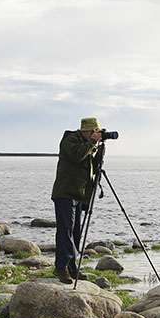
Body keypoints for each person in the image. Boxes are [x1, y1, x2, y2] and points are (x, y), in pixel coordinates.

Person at [51, 117, 103, 284]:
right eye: (95, 132)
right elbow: (76, 156)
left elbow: (89, 168)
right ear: (88, 131)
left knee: (75, 233)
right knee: (65, 231)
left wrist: (99, 155)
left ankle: (72, 268)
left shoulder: (87, 145)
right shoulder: (70, 140)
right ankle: (61, 267)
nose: (97, 135)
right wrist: (92, 144)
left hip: (77, 194)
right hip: (65, 192)